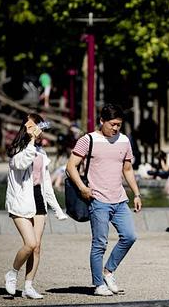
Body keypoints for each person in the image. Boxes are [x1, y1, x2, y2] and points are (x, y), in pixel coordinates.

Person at [66, 103, 142, 296]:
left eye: (119, 124)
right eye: (113, 124)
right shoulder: (88, 140)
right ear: (102, 121)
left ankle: (108, 271)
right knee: (99, 243)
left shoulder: (124, 140)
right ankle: (98, 284)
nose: (116, 128)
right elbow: (71, 166)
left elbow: (127, 169)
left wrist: (136, 193)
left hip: (119, 199)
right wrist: (83, 188)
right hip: (98, 200)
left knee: (130, 236)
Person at [4, 113, 68, 299]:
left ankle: (29, 286)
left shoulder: (41, 151)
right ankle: (12, 273)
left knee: (37, 246)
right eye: (35, 127)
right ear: (27, 129)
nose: (40, 132)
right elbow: (23, 163)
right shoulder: (17, 150)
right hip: (20, 201)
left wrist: (56, 208)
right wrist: (31, 140)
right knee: (30, 243)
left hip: (38, 199)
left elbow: (46, 183)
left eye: (40, 128)